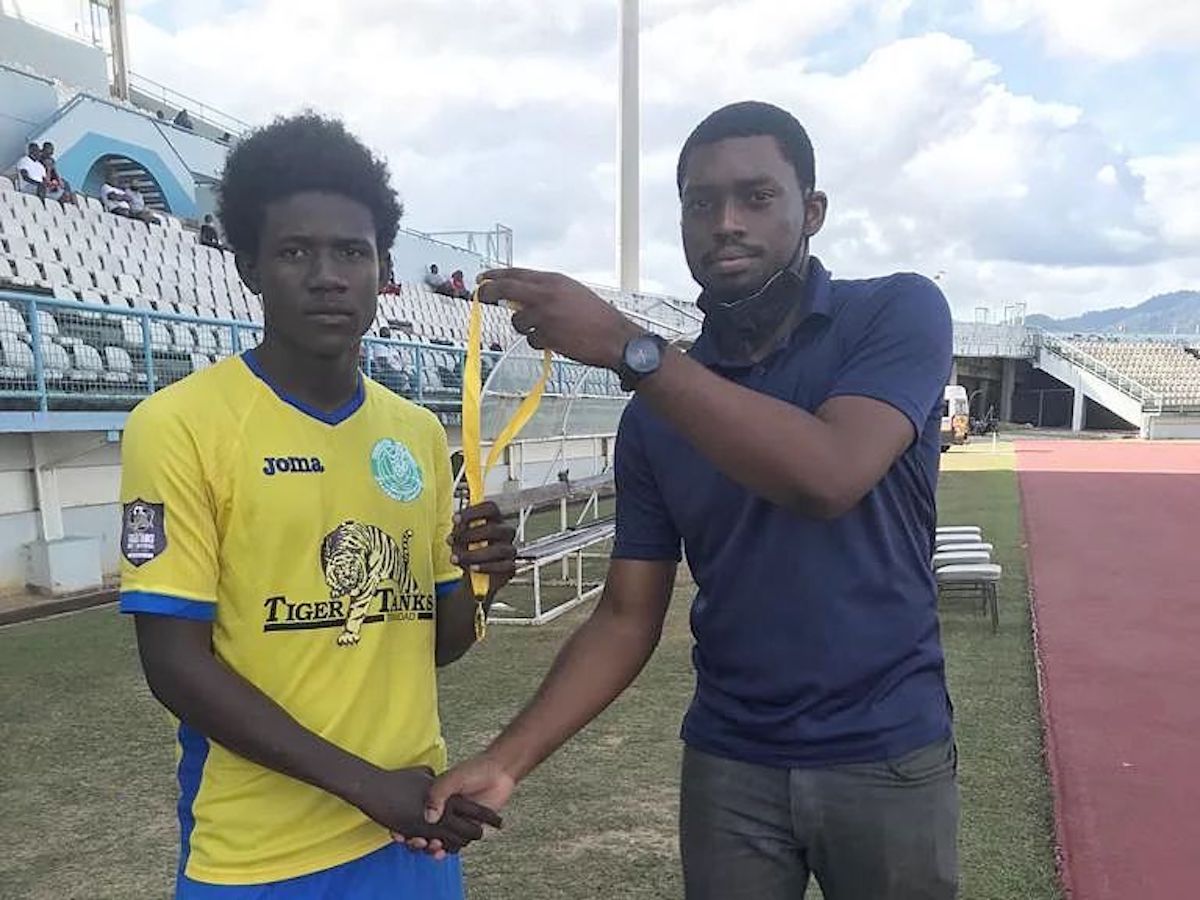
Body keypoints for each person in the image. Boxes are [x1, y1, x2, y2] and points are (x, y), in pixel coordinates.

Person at [414, 101, 957, 900]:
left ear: (812, 212)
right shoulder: (656, 418)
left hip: (886, 754)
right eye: (700, 203)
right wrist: (505, 760)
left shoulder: (896, 312)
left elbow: (830, 475)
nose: (725, 222)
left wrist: (632, 351)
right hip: (730, 760)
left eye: (756, 196)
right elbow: (627, 617)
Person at [118, 113, 515, 900]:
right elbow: (175, 666)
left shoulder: (415, 434)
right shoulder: (178, 425)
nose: (328, 275)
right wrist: (369, 786)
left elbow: (433, 646)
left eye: (352, 252)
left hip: (411, 837)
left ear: (383, 270)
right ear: (250, 268)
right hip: (259, 858)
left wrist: (482, 585)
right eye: (297, 251)